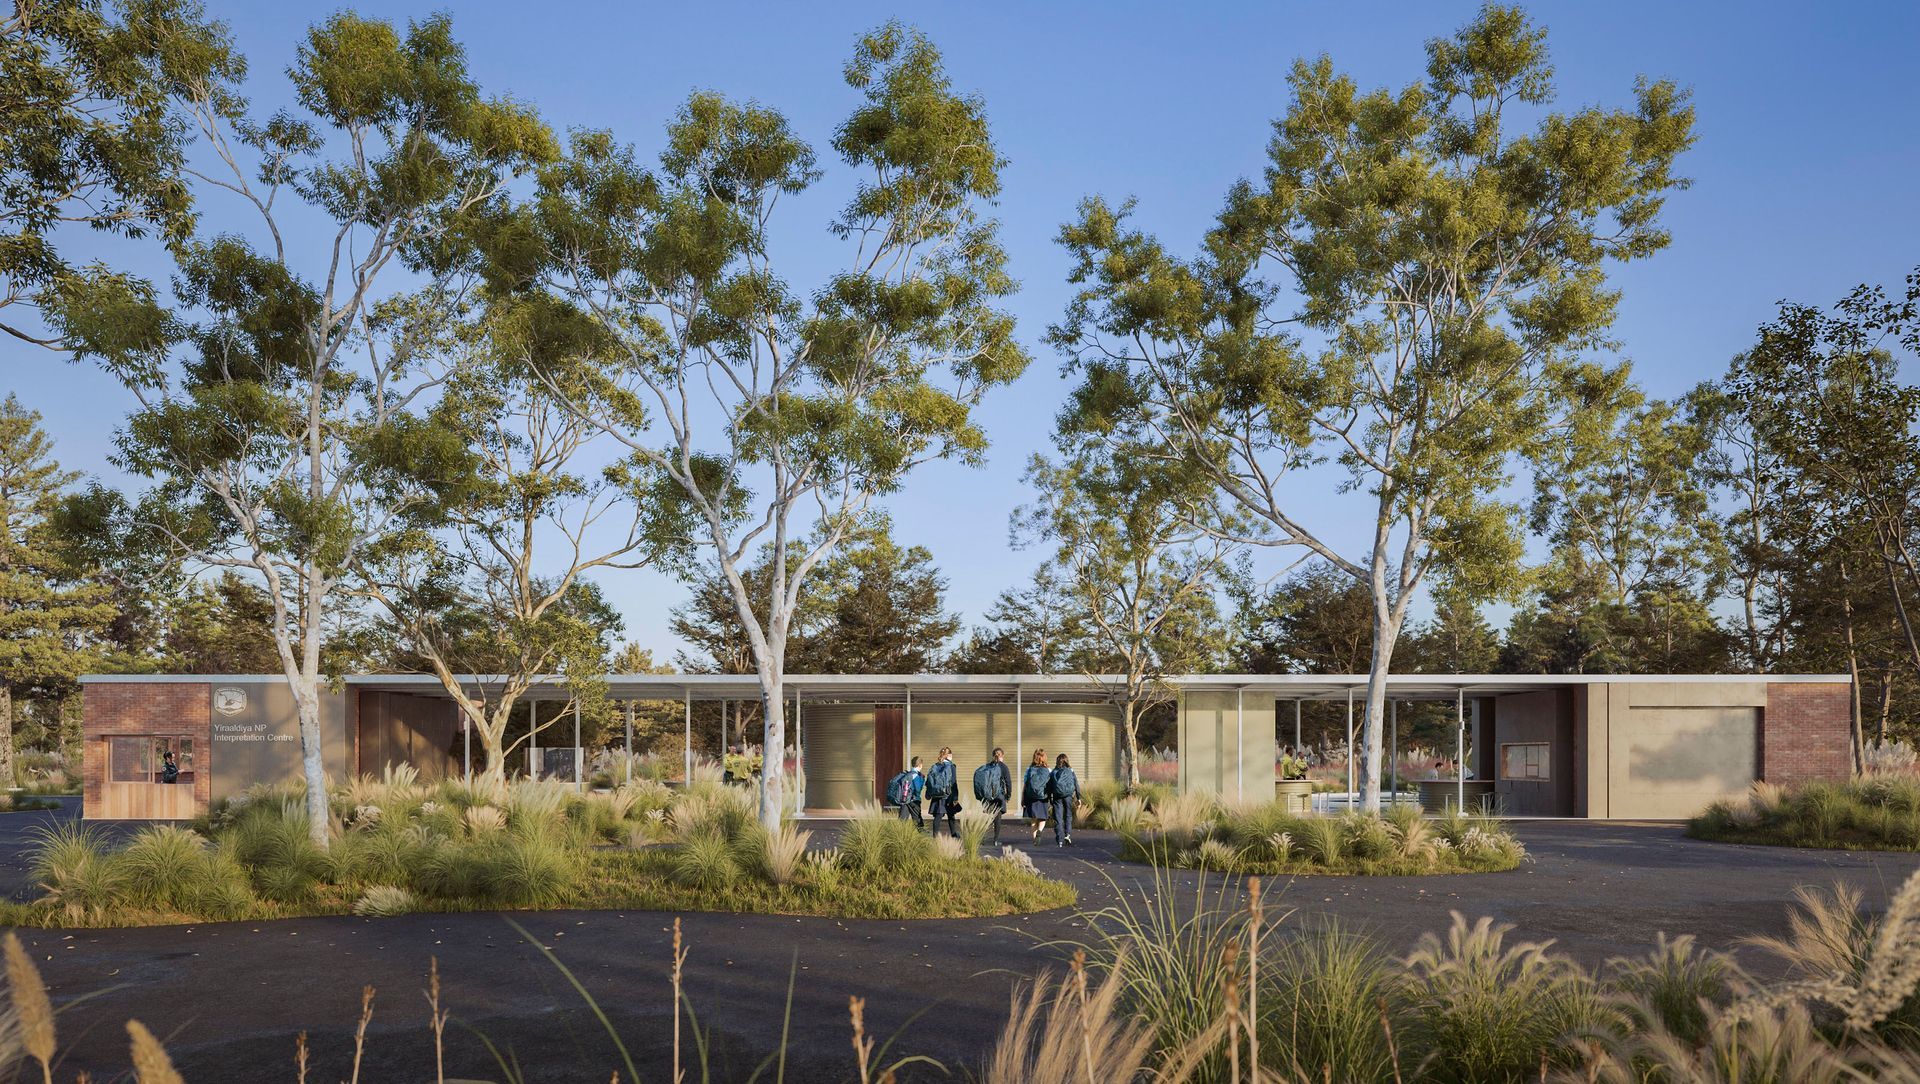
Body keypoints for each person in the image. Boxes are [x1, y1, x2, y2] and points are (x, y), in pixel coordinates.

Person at [972, 747, 1014, 845]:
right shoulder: (1003, 767)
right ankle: (995, 840)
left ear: (993, 755)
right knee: (997, 818)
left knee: (988, 818)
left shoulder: (987, 766)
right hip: (998, 797)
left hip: (987, 797)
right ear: (1002, 756)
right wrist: (1008, 796)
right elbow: (1008, 782)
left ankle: (981, 838)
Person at [926, 747, 960, 837]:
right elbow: (953, 782)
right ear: (949, 755)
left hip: (936, 795)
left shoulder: (935, 766)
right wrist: (956, 796)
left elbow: (929, 781)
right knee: (951, 816)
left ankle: (935, 836)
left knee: (938, 816)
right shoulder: (951, 766)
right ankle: (954, 835)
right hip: (948, 795)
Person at [1049, 753, 1080, 847]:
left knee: (1058, 818)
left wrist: (1050, 798)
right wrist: (1078, 797)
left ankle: (1060, 840)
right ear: (1067, 760)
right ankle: (1068, 835)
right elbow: (1076, 784)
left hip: (1057, 796)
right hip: (1068, 796)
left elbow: (1050, 786)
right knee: (1068, 815)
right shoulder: (1071, 770)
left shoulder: (1054, 772)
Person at [1023, 749, 1052, 844]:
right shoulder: (1048, 770)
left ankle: (1035, 839)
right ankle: (1040, 831)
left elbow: (1025, 785)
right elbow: (1050, 784)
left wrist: (1023, 798)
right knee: (1042, 818)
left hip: (1031, 797)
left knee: (1033, 819)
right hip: (1043, 796)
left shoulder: (1029, 769)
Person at [889, 757, 926, 828]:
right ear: (920, 765)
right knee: (918, 821)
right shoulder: (916, 775)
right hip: (914, 800)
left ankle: (899, 834)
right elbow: (917, 789)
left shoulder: (907, 774)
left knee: (902, 821)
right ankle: (922, 835)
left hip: (905, 799)